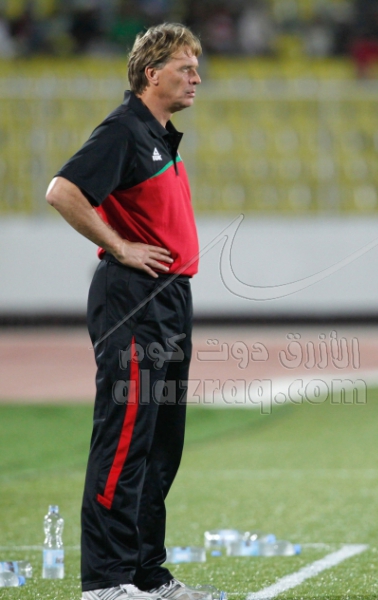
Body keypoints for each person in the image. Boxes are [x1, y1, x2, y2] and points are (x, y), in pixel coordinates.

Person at [46, 23, 221, 600]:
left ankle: (147, 573)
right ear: (152, 73)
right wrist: (119, 246)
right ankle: (105, 581)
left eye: (196, 68)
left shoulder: (159, 137)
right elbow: (63, 191)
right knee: (124, 438)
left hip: (169, 297)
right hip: (134, 300)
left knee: (160, 444)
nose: (196, 78)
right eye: (185, 68)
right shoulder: (124, 129)